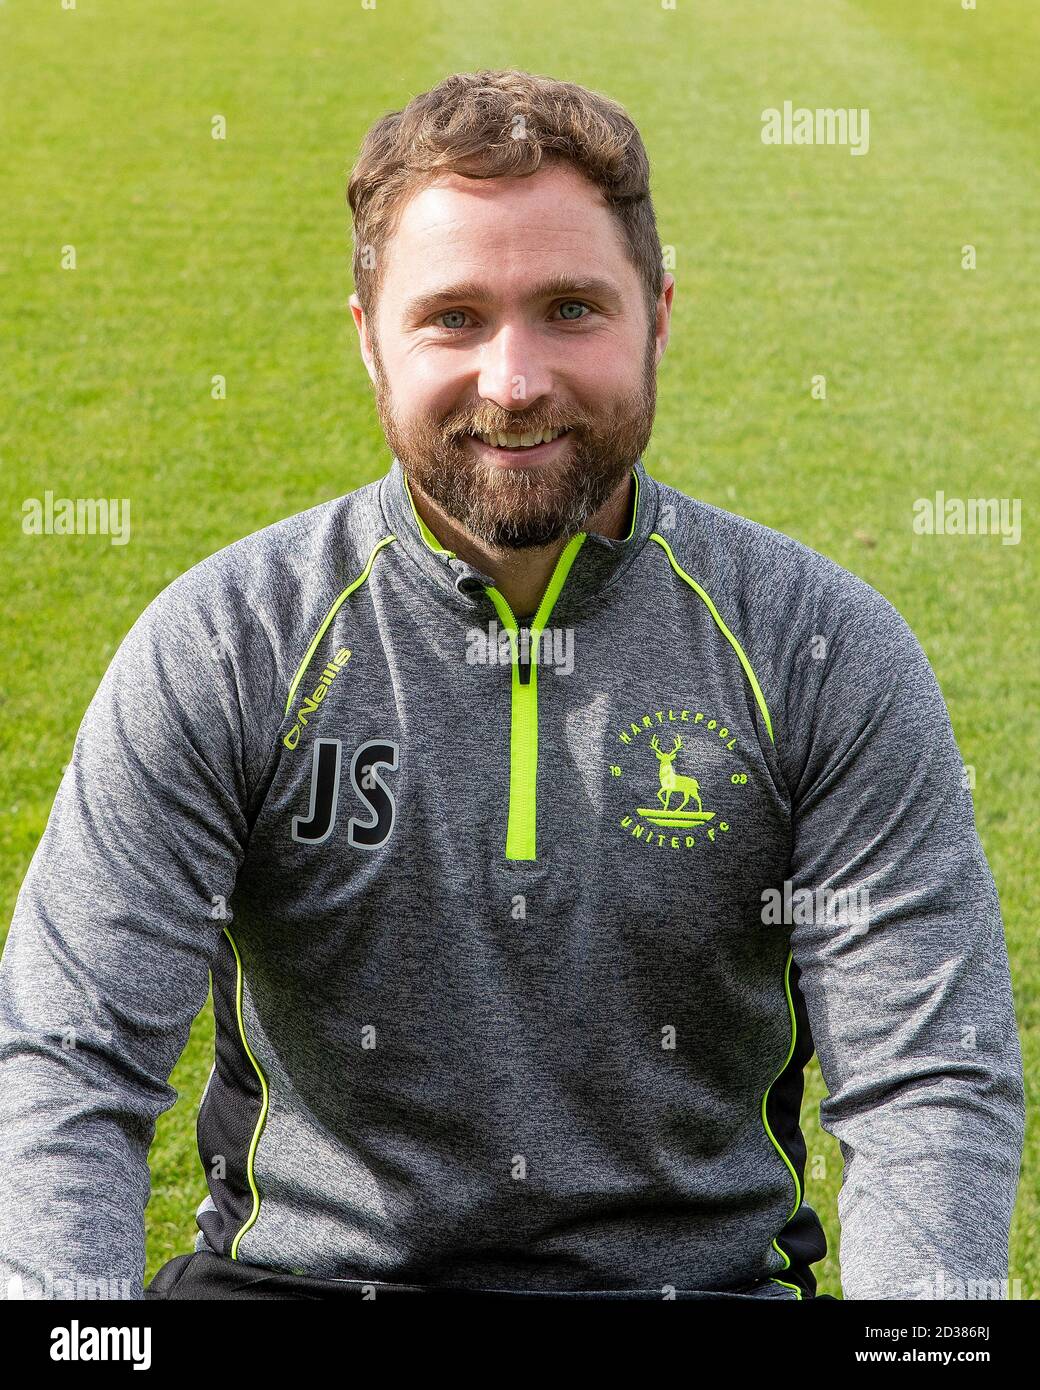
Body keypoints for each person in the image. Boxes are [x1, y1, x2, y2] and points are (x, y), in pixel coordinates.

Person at [0, 69, 1024, 1303]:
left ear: (657, 316)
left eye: (569, 309)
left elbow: (926, 1080)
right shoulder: (227, 643)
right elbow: (68, 1058)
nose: (513, 379)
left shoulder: (819, 650)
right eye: (452, 319)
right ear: (367, 337)